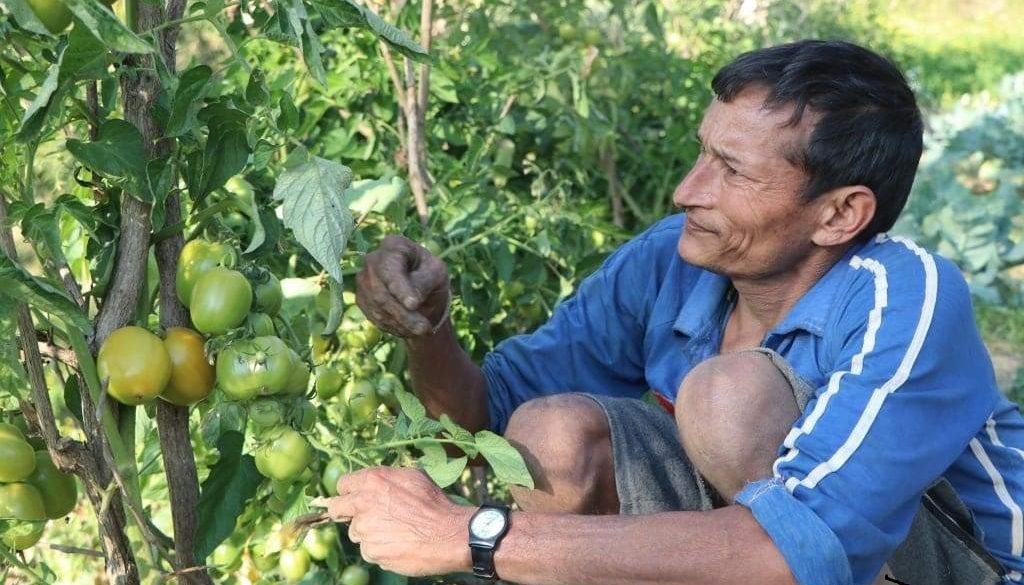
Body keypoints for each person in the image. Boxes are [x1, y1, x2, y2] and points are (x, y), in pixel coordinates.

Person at [322, 40, 1024, 585]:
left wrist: (468, 535)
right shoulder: (675, 261)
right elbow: (482, 430)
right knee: (550, 438)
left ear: (841, 214)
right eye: (701, 153)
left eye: (733, 170)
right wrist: (430, 328)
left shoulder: (905, 295)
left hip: (965, 566)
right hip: (776, 546)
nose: (689, 189)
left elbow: (795, 551)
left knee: (728, 398)